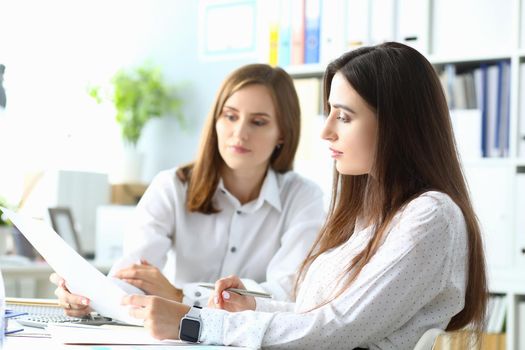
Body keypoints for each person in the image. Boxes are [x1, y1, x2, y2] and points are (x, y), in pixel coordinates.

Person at [121, 42, 488, 349]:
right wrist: (251, 310)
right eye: (329, 113)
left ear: (396, 125)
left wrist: (193, 322)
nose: (326, 131)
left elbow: (339, 327)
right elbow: (314, 315)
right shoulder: (370, 219)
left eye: (343, 117)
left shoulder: (431, 216)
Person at [50, 63, 325, 315]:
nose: (239, 133)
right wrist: (90, 298)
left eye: (258, 122)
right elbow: (133, 276)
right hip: (176, 334)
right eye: (230, 116)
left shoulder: (304, 198)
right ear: (216, 120)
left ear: (283, 134)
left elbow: (288, 292)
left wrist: (182, 295)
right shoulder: (171, 186)